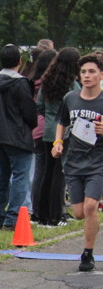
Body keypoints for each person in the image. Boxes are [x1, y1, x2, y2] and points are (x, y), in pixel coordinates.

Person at [53, 52, 103, 272]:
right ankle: (95, 207)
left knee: (91, 207)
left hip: (98, 162)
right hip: (74, 162)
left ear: (101, 75)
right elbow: (62, 122)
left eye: (92, 71)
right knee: (79, 213)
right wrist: (57, 142)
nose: (87, 75)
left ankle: (87, 253)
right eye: (83, 72)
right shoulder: (70, 98)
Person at [0, 44, 37, 231]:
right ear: (19, 61)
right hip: (18, 135)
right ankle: (13, 217)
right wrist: (30, 125)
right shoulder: (20, 83)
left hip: (0, 135)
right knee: (20, 177)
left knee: (1, 178)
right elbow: (28, 111)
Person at [37, 47, 80, 227]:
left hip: (48, 130)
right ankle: (56, 215)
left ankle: (42, 215)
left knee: (48, 172)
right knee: (60, 174)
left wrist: (49, 118)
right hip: (65, 131)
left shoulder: (46, 81)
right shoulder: (72, 85)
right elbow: (77, 105)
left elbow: (40, 105)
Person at [28, 48, 56, 223]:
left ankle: (36, 208)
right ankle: (46, 209)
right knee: (48, 172)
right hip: (48, 128)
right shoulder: (50, 84)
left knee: (39, 170)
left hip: (36, 128)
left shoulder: (32, 82)